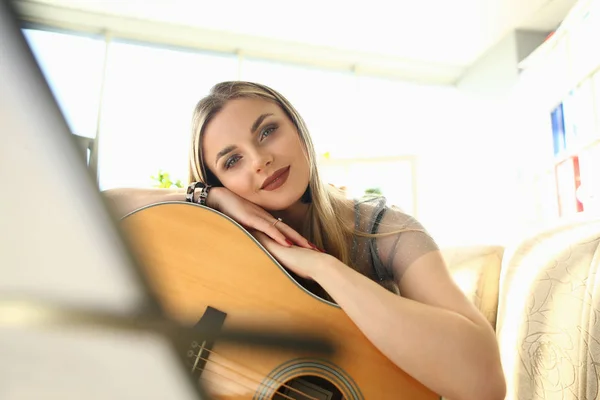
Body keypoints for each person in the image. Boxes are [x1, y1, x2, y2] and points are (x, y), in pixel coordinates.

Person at [104, 81, 506, 400]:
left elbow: (484, 385)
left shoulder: (383, 230)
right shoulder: (224, 249)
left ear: (298, 128)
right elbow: (99, 206)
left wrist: (323, 267)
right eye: (232, 161)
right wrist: (211, 198)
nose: (259, 159)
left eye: (267, 131)